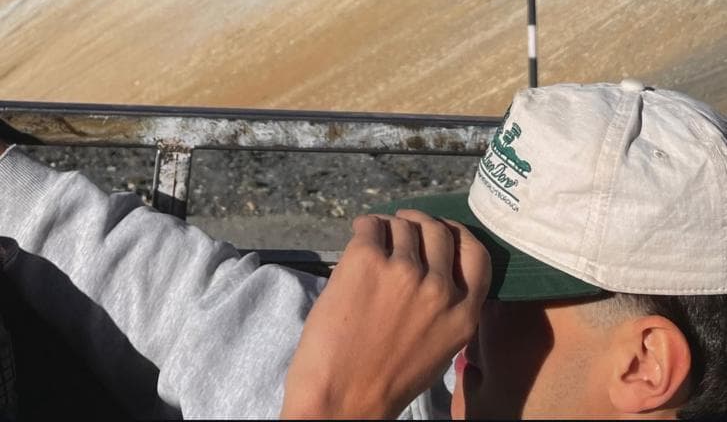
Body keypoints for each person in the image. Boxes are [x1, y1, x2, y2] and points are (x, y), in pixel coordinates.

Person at [0, 79, 725, 419]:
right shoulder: (425, 385)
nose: (444, 301)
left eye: (501, 282)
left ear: (643, 363)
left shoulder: (362, 393)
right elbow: (197, 306)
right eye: (456, 252)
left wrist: (335, 406)